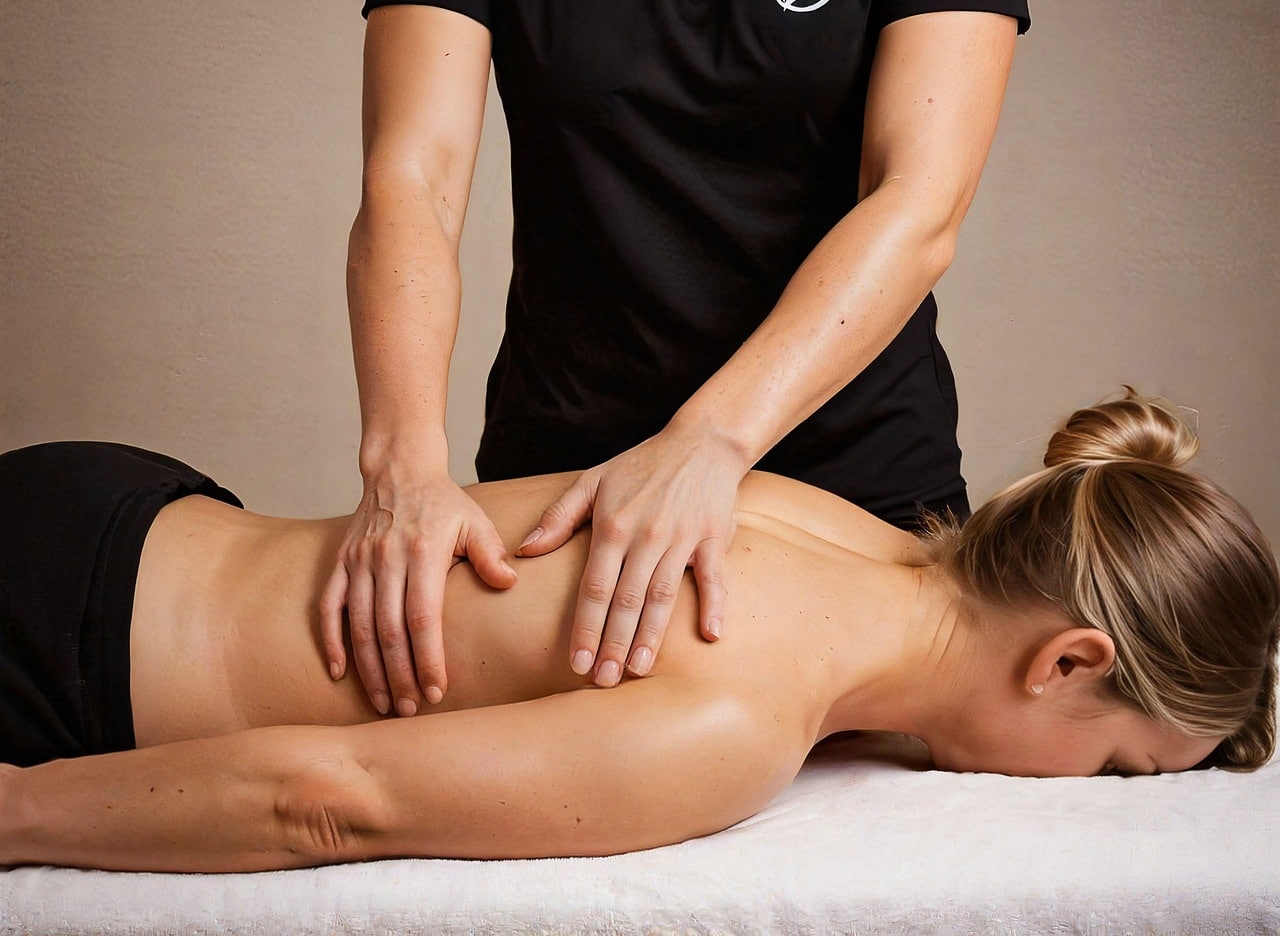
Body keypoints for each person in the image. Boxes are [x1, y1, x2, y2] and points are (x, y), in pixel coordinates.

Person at [1, 392, 1276, 873]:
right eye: (1120, 768)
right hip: (57, 649)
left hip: (123, 504)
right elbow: (327, 804)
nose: (1096, 794)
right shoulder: (733, 726)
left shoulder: (813, 517)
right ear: (1067, 661)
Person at [329, 0, 1033, 718]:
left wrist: (709, 441)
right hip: (570, 492)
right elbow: (415, 179)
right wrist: (402, 465)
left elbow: (918, 200)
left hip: (855, 492)